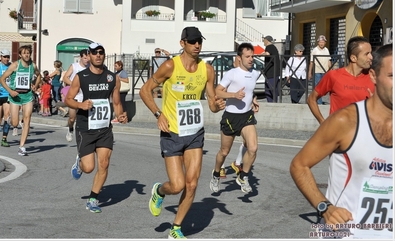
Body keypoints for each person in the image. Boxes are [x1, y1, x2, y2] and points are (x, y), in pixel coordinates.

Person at [290, 43, 392, 239]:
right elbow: (299, 165)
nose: (369, 56)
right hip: (345, 234)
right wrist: (324, 207)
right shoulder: (342, 115)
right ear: (374, 77)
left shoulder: (366, 80)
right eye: (392, 76)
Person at [139, 26, 225, 239]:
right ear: (182, 43)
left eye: (200, 41)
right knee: (177, 185)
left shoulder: (207, 69)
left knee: (192, 183)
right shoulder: (170, 66)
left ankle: (176, 228)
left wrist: (217, 106)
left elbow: (211, 102)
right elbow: (144, 90)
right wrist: (158, 114)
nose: (197, 45)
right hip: (172, 132)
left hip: (195, 132)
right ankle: (160, 191)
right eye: (193, 41)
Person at [66, 42, 128, 213]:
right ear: (90, 56)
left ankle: (93, 199)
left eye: (101, 52)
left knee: (104, 163)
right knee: (89, 168)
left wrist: (121, 114)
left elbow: (116, 102)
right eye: (95, 53)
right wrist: (81, 104)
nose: (98, 55)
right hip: (85, 127)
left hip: (104, 128)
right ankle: (80, 162)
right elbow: (68, 99)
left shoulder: (112, 77)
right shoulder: (81, 76)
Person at [210, 42, 260, 194]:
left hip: (246, 117)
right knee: (224, 152)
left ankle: (243, 176)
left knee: (253, 148)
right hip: (230, 118)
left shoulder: (255, 73)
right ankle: (216, 174)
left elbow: (250, 90)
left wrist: (253, 100)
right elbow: (217, 92)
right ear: (239, 58)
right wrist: (233, 95)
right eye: (247, 56)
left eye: (252, 56)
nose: (251, 59)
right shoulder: (232, 73)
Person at [307, 36, 375, 124]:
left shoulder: (373, 77)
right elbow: (311, 99)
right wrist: (322, 122)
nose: (371, 57)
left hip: (363, 133)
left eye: (371, 53)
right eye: (367, 54)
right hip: (338, 133)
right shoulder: (334, 76)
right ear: (353, 58)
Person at [0, 45, 40, 156]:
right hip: (15, 97)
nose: (27, 55)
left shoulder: (33, 65)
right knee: (15, 123)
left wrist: (35, 85)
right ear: (20, 55)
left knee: (27, 119)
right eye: (24, 53)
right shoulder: (15, 65)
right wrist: (10, 91)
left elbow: (39, 76)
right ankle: (9, 121)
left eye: (28, 53)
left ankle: (22, 147)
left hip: (27, 96)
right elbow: (2, 79)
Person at [63, 49, 89, 142]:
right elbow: (65, 78)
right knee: (72, 118)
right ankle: (70, 129)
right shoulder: (74, 66)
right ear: (81, 57)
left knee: (83, 119)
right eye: (85, 58)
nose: (87, 60)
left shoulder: (90, 68)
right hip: (74, 96)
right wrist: (74, 85)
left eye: (88, 58)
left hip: (85, 96)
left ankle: (82, 138)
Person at [308, 35, 332, 105]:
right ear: (318, 42)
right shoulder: (315, 50)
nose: (322, 43)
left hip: (325, 71)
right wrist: (310, 72)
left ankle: (319, 100)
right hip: (317, 71)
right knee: (318, 87)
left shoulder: (326, 50)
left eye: (323, 42)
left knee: (325, 87)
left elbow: (329, 60)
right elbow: (311, 62)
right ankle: (318, 102)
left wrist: (331, 69)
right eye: (320, 42)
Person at [261, 35, 281, 102]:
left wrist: (261, 54)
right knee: (271, 89)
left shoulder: (269, 47)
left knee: (270, 89)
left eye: (264, 40)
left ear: (267, 40)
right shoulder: (273, 47)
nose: (263, 42)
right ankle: (273, 102)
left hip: (271, 72)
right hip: (273, 72)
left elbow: (267, 53)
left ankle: (272, 102)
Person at [0, 49, 12, 147]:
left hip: (7, 95)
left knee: (7, 116)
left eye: (8, 57)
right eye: (5, 57)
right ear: (1, 57)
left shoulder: (12, 67)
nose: (6, 59)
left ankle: (4, 139)